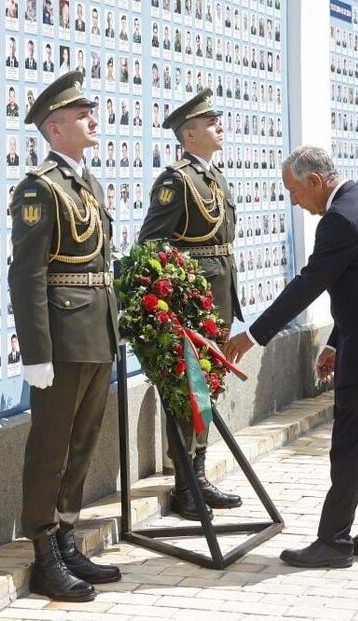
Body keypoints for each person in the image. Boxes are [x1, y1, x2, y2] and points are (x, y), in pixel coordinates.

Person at [223, 146, 358, 569]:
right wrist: (335, 341)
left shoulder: (340, 219)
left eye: (295, 192)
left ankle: (333, 542)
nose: (295, 202)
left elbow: (309, 283)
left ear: (315, 181)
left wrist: (252, 335)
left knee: (352, 446)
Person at [9, 70, 120, 602]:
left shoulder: (87, 181)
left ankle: (69, 536)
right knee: (51, 446)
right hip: (62, 334)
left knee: (82, 442)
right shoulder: (40, 187)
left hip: (96, 328)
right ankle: (44, 552)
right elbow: (27, 274)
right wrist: (36, 353)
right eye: (81, 115)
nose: (92, 120)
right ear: (55, 130)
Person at [138, 88, 242, 521]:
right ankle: (185, 485)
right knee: (185, 394)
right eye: (210, 122)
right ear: (189, 133)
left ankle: (198, 475)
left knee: (207, 392)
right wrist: (177, 301)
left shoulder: (214, 177)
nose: (219, 126)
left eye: (217, 119)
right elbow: (152, 244)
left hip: (217, 299)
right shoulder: (175, 181)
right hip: (192, 305)